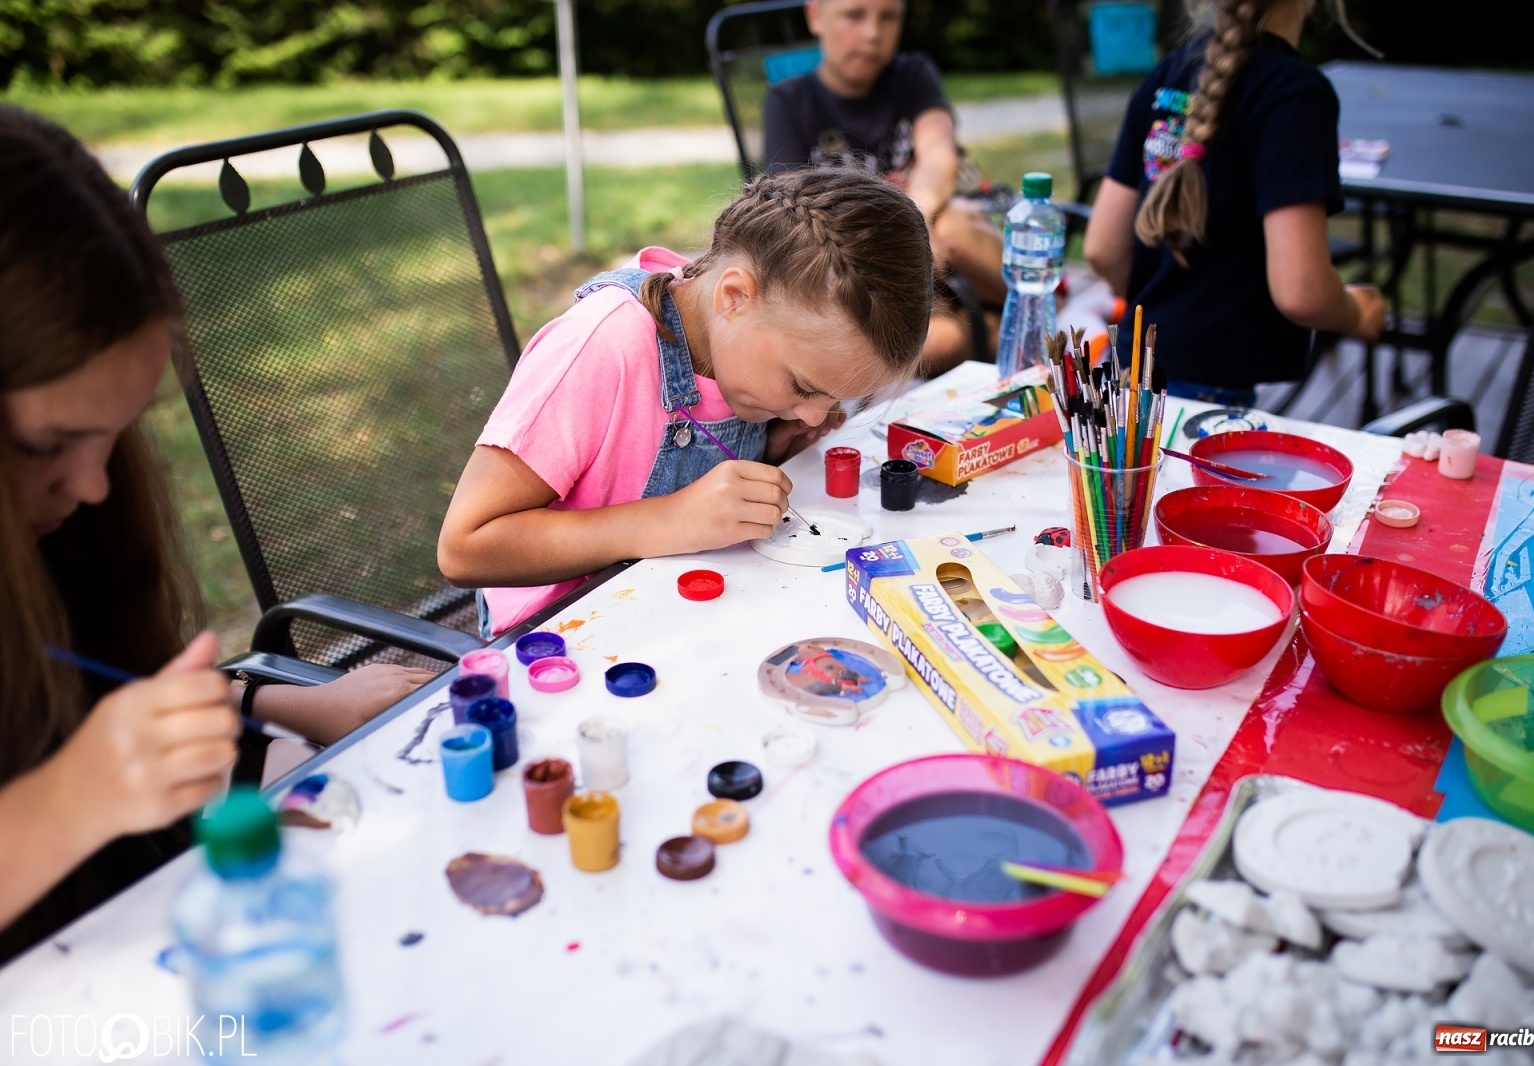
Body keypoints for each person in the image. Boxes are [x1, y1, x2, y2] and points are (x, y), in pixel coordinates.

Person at [0, 106, 433, 961]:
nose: (92, 488)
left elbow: (98, 686)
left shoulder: (63, 523)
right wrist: (62, 806)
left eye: (116, 433)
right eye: (47, 446)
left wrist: (280, 698)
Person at [437, 169, 933, 637]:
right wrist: (667, 521)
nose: (814, 413)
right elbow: (466, 548)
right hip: (562, 633)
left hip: (674, 609)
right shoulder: (602, 348)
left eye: (834, 396)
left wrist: (772, 445)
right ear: (734, 296)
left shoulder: (738, 340)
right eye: (803, 387)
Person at [1083, 0, 1387, 405]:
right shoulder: (1295, 95)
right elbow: (1302, 291)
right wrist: (1357, 312)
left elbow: (1102, 249)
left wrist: (1169, 301)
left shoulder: (1166, 76)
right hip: (1207, 397)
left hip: (1124, 378)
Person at [763, 0, 1005, 376]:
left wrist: (916, 220)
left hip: (941, 254)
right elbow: (791, 208)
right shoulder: (789, 101)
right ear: (815, 16)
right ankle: (996, 329)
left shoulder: (913, 75)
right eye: (854, 15)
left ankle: (1031, 307)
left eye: (888, 16)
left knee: (954, 225)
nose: (874, 33)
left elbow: (940, 156)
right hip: (865, 276)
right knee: (933, 343)